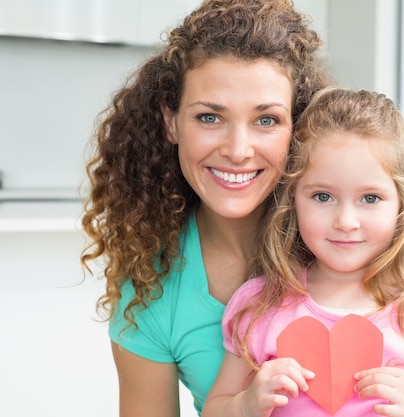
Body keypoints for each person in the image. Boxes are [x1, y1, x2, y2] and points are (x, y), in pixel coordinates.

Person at [80, 0, 330, 415]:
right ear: (170, 120)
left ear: (298, 128)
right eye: (210, 118)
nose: (237, 150)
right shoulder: (150, 292)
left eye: (266, 120)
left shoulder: (354, 240)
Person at [203, 87, 404, 417]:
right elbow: (215, 409)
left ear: (402, 204)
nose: (345, 221)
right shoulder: (260, 306)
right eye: (323, 197)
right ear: (293, 199)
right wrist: (246, 403)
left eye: (370, 198)